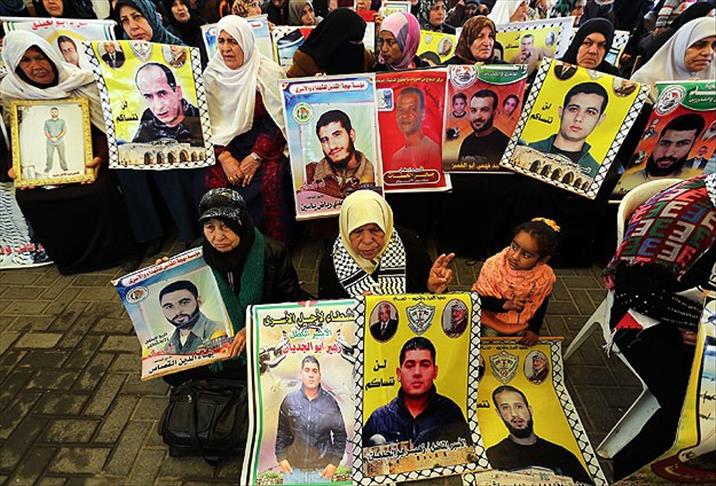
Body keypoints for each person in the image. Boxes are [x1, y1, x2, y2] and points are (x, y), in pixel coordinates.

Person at [605, 175, 715, 479]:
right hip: (644, 319)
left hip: (695, 318)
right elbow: (633, 291)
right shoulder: (686, 216)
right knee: (690, 407)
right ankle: (631, 473)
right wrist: (698, 324)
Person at [1, 31, 138, 274]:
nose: (36, 66)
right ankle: (69, 259)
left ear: (50, 56)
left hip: (90, 157)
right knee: (28, 197)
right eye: (26, 61)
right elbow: (17, 135)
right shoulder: (11, 92)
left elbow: (105, 127)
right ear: (16, 66)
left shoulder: (81, 81)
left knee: (99, 190)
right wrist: (19, 166)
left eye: (40, 57)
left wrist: (100, 158)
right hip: (42, 164)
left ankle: (122, 252)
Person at [160, 187, 312, 386]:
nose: (217, 237)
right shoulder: (197, 254)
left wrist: (255, 327)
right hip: (220, 337)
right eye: (210, 227)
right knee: (171, 373)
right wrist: (165, 274)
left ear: (241, 223)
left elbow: (290, 303)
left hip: (263, 331)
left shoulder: (272, 252)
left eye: (226, 226)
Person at [113, 0, 204, 254]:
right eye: (125, 21)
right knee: (127, 164)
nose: (133, 26)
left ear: (152, 17)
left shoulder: (178, 51)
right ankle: (149, 234)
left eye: (138, 17)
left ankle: (190, 231)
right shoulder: (118, 57)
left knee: (171, 157)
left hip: (185, 127)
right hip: (153, 127)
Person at [203, 15, 295, 243]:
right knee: (208, 179)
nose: (225, 48)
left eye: (233, 42)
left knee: (271, 180)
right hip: (224, 144)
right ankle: (224, 241)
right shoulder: (212, 75)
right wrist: (225, 157)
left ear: (246, 42)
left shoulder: (268, 73)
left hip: (264, 143)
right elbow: (206, 122)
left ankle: (271, 244)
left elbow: (279, 121)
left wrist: (256, 156)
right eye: (221, 41)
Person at [318, 189, 456, 298]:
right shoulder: (333, 259)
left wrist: (432, 288)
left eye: (375, 230)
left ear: (386, 224)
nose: (367, 240)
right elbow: (327, 311)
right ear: (345, 229)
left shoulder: (410, 245)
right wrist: (356, 309)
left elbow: (430, 295)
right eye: (358, 231)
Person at [362, 337, 473, 447]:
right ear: (399, 374)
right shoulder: (379, 419)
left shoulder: (451, 414)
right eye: (410, 365)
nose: (417, 373)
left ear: (435, 372)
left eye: (425, 365)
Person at [473, 218, 558, 345]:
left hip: (521, 325)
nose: (514, 256)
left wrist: (534, 329)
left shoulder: (545, 276)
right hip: (490, 322)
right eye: (514, 247)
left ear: (542, 260)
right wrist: (504, 305)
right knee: (487, 347)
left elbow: (541, 302)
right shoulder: (493, 266)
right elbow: (477, 299)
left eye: (526, 255)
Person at [486, 385, 592, 484]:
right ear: (499, 413)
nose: (514, 414)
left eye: (519, 406)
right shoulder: (492, 456)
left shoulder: (562, 455)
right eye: (505, 408)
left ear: (530, 410)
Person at [275, 355, 347, 483]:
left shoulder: (330, 403)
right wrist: (281, 457)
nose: (311, 375)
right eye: (307, 370)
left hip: (321, 473)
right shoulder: (290, 401)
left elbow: (340, 435)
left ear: (319, 376)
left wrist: (334, 463)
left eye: (315, 371)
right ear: (301, 374)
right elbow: (282, 433)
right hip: (293, 472)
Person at [527, 82, 608, 179]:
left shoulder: (595, 173)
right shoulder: (528, 148)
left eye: (590, 112)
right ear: (561, 112)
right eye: (573, 109)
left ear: (600, 119)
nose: (578, 118)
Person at [616, 114, 706, 192]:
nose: (668, 154)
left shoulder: (693, 182)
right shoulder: (628, 179)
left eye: (682, 143)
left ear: (693, 145)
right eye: (665, 143)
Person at [632, 17, 716, 100]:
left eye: (714, 46)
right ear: (680, 46)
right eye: (699, 45)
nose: (709, 52)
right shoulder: (645, 80)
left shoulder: (712, 74)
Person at [305, 109, 376, 199]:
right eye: (324, 140)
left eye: (337, 135)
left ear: (351, 135)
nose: (332, 146)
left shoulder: (376, 173)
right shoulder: (309, 174)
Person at [286, 8, 374, 77]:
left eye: (359, 41)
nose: (357, 46)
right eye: (352, 42)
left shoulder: (365, 57)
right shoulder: (305, 62)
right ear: (335, 40)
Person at [132, 62, 204, 146]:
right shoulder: (148, 120)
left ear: (178, 92)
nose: (159, 106)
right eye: (148, 96)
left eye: (163, 93)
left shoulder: (200, 118)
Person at [160, 280, 228, 354]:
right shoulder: (168, 347)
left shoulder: (220, 330)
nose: (178, 312)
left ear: (198, 302)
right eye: (169, 307)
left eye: (184, 303)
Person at [392, 87, 442, 171]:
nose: (404, 115)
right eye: (400, 110)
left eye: (412, 109)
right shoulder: (396, 158)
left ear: (423, 114)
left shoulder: (434, 151)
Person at [458, 89, 510, 169]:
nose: (477, 116)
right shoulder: (466, 141)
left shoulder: (506, 145)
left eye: (484, 110)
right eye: (473, 110)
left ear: (495, 113)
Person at [43, 106, 67, 173]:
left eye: (55, 112)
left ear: (58, 112)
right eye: (52, 112)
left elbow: (64, 131)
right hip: (50, 142)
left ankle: (64, 168)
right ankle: (48, 168)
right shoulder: (47, 122)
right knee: (49, 156)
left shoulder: (62, 121)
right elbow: (46, 131)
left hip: (60, 142)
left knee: (62, 155)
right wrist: (51, 138)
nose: (54, 113)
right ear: (50, 113)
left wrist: (57, 138)